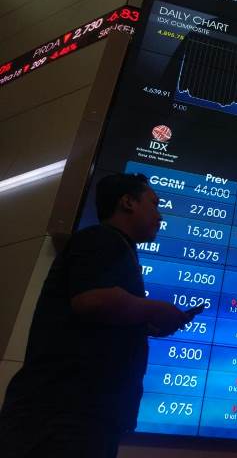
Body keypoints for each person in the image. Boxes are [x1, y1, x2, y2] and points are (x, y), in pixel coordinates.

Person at [0, 173, 192, 457]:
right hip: (63, 414)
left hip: (80, 414)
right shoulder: (103, 239)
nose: (160, 215)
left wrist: (146, 325)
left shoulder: (116, 247)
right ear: (128, 202)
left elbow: (97, 316)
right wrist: (155, 309)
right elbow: (92, 301)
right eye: (154, 203)